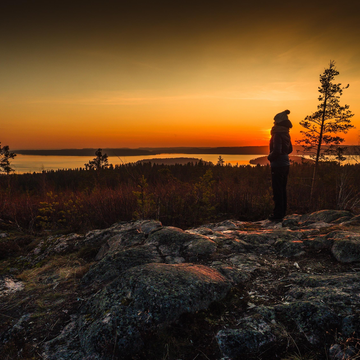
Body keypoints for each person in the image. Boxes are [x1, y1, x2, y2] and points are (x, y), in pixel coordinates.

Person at [267, 109, 293, 222]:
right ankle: (282, 212)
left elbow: (277, 151)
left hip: (277, 166)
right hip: (286, 164)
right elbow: (290, 149)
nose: (273, 123)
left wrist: (270, 157)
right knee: (282, 189)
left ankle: (277, 215)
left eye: (275, 121)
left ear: (278, 122)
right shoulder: (286, 133)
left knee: (277, 190)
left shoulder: (277, 134)